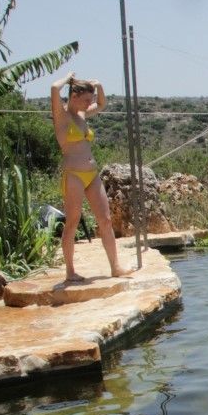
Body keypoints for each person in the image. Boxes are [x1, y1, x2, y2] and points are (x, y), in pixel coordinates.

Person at [50, 73, 131, 283]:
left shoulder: (82, 114)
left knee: (105, 219)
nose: (89, 104)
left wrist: (99, 85)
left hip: (92, 174)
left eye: (90, 99)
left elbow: (102, 104)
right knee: (73, 222)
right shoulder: (62, 116)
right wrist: (68, 78)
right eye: (86, 99)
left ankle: (115, 267)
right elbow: (54, 88)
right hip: (73, 174)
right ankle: (70, 272)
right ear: (74, 96)